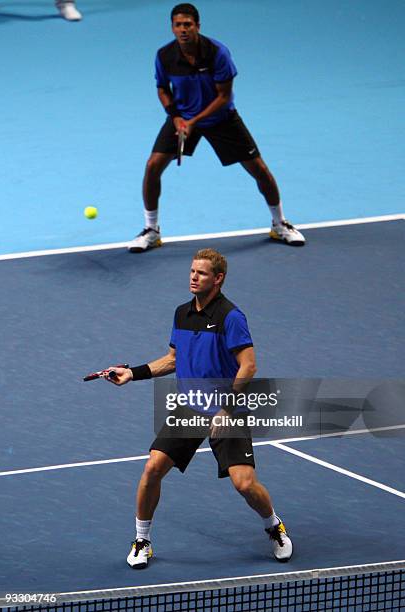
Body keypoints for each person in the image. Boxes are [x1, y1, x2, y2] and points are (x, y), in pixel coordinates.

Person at [105, 248, 293, 568]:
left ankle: (274, 526)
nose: (194, 277)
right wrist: (132, 373)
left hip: (226, 410)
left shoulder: (232, 317)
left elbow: (248, 367)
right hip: (190, 408)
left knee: (244, 484)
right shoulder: (182, 313)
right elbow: (173, 359)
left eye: (201, 273)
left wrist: (226, 409)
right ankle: (142, 540)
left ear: (217, 279)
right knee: (152, 469)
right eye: (192, 271)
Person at [128, 3, 305, 253]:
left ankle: (280, 224)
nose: (183, 30)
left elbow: (223, 96)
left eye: (188, 25)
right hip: (183, 118)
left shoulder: (217, 52)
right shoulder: (164, 55)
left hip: (220, 118)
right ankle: (151, 230)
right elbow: (162, 89)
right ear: (172, 28)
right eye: (178, 25)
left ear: (197, 26)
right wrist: (176, 117)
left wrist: (192, 121)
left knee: (259, 169)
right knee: (152, 166)